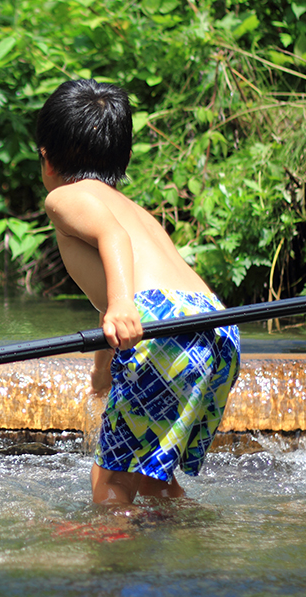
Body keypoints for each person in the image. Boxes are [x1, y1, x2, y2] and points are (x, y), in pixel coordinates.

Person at [36, 79, 240, 506]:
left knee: (111, 485)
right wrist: (101, 374)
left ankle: (113, 570)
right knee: (154, 480)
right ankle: (187, 549)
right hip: (214, 326)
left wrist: (123, 303)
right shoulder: (135, 210)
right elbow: (113, 295)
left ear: (46, 159)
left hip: (157, 323)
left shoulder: (63, 198)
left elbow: (115, 247)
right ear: (125, 158)